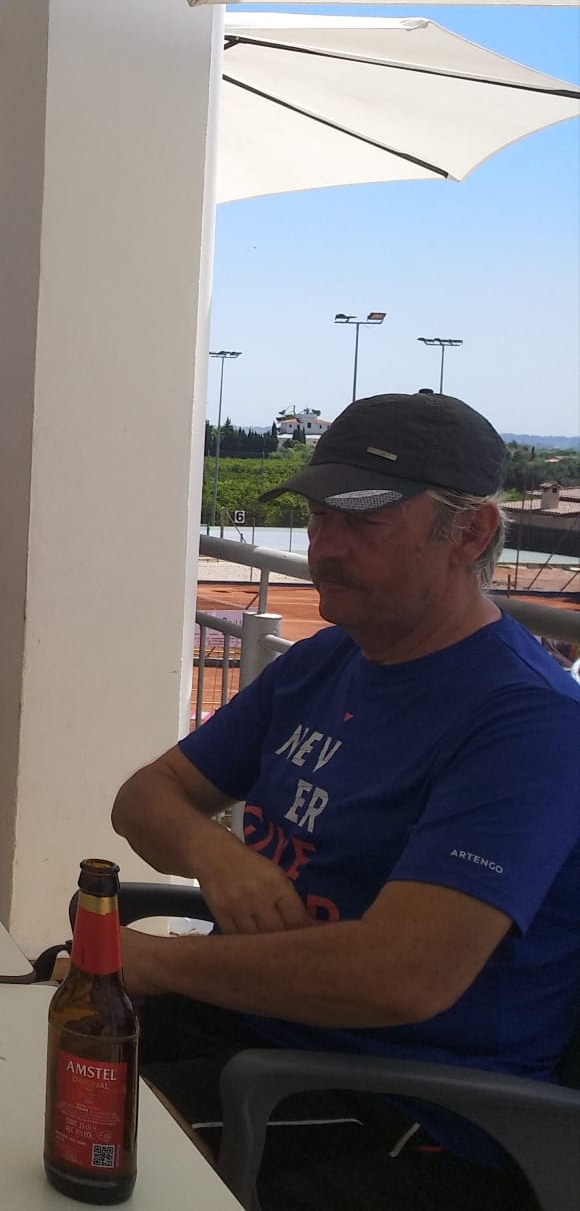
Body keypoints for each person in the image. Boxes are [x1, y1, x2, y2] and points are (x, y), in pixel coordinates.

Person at [112, 392, 580, 1211]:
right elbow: (144, 798)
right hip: (253, 1029)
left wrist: (155, 961)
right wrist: (215, 855)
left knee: (65, 1144)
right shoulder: (325, 661)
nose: (325, 547)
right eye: (318, 518)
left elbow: (402, 976)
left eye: (363, 521)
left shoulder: (526, 721)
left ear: (470, 533)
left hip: (406, 1109)